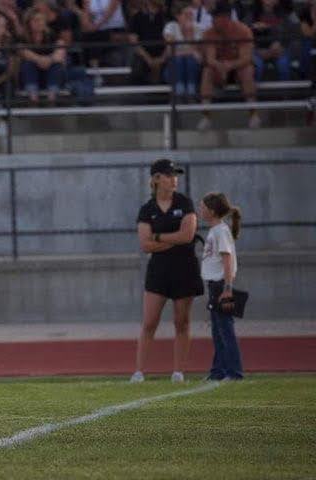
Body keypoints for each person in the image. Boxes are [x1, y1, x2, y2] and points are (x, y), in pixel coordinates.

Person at [131, 158, 203, 384]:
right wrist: (173, 241)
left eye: (176, 175)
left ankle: (178, 371)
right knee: (149, 321)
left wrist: (160, 237)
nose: (174, 180)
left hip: (185, 268)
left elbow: (187, 235)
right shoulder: (147, 209)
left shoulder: (185, 203)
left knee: (181, 321)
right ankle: (139, 371)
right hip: (159, 270)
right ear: (156, 179)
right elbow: (145, 244)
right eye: (169, 175)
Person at [199, 192, 244, 381]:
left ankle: (234, 372)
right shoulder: (214, 230)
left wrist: (227, 288)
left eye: (202, 207)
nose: (199, 210)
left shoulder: (221, 231)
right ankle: (218, 371)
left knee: (225, 330)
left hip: (220, 285)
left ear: (211, 210)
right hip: (214, 285)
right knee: (217, 331)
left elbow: (227, 260)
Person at [198, 0, 259, 130]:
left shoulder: (243, 30)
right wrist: (220, 66)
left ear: (225, 17)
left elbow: (246, 57)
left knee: (247, 71)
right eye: (212, 16)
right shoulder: (209, 33)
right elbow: (210, 58)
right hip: (218, 67)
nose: (212, 20)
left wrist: (230, 65)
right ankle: (206, 117)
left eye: (215, 16)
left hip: (238, 66)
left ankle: (253, 115)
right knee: (207, 71)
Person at [19, 8, 67, 104]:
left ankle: (52, 99)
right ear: (29, 22)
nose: (39, 23)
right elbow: (23, 52)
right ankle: (33, 99)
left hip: (50, 74)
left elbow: (60, 53)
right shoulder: (22, 37)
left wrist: (48, 60)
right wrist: (40, 59)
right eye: (36, 20)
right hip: (32, 76)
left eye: (41, 20)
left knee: (57, 65)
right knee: (28, 64)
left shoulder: (52, 35)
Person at [163, 2, 203, 99]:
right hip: (174, 67)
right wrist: (192, 52)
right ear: (178, 16)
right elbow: (170, 51)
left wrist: (189, 35)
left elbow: (200, 55)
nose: (190, 17)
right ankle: (179, 92)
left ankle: (191, 90)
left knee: (189, 60)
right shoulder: (171, 27)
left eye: (191, 14)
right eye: (186, 14)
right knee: (180, 60)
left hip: (193, 67)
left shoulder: (198, 28)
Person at [250, 0, 293, 81]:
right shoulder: (252, 15)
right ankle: (254, 92)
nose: (269, 2)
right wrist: (257, 49)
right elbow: (246, 35)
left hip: (278, 50)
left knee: (283, 64)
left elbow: (290, 35)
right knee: (257, 66)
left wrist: (281, 46)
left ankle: (284, 92)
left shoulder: (284, 15)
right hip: (258, 51)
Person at [129, 0, 169, 85]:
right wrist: (148, 59)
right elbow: (134, 42)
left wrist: (162, 58)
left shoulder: (167, 17)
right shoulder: (137, 17)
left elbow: (172, 41)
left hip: (164, 55)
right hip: (144, 55)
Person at [298, 0, 316, 80]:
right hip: (310, 40)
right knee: (307, 45)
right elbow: (307, 34)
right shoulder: (304, 11)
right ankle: (305, 76)